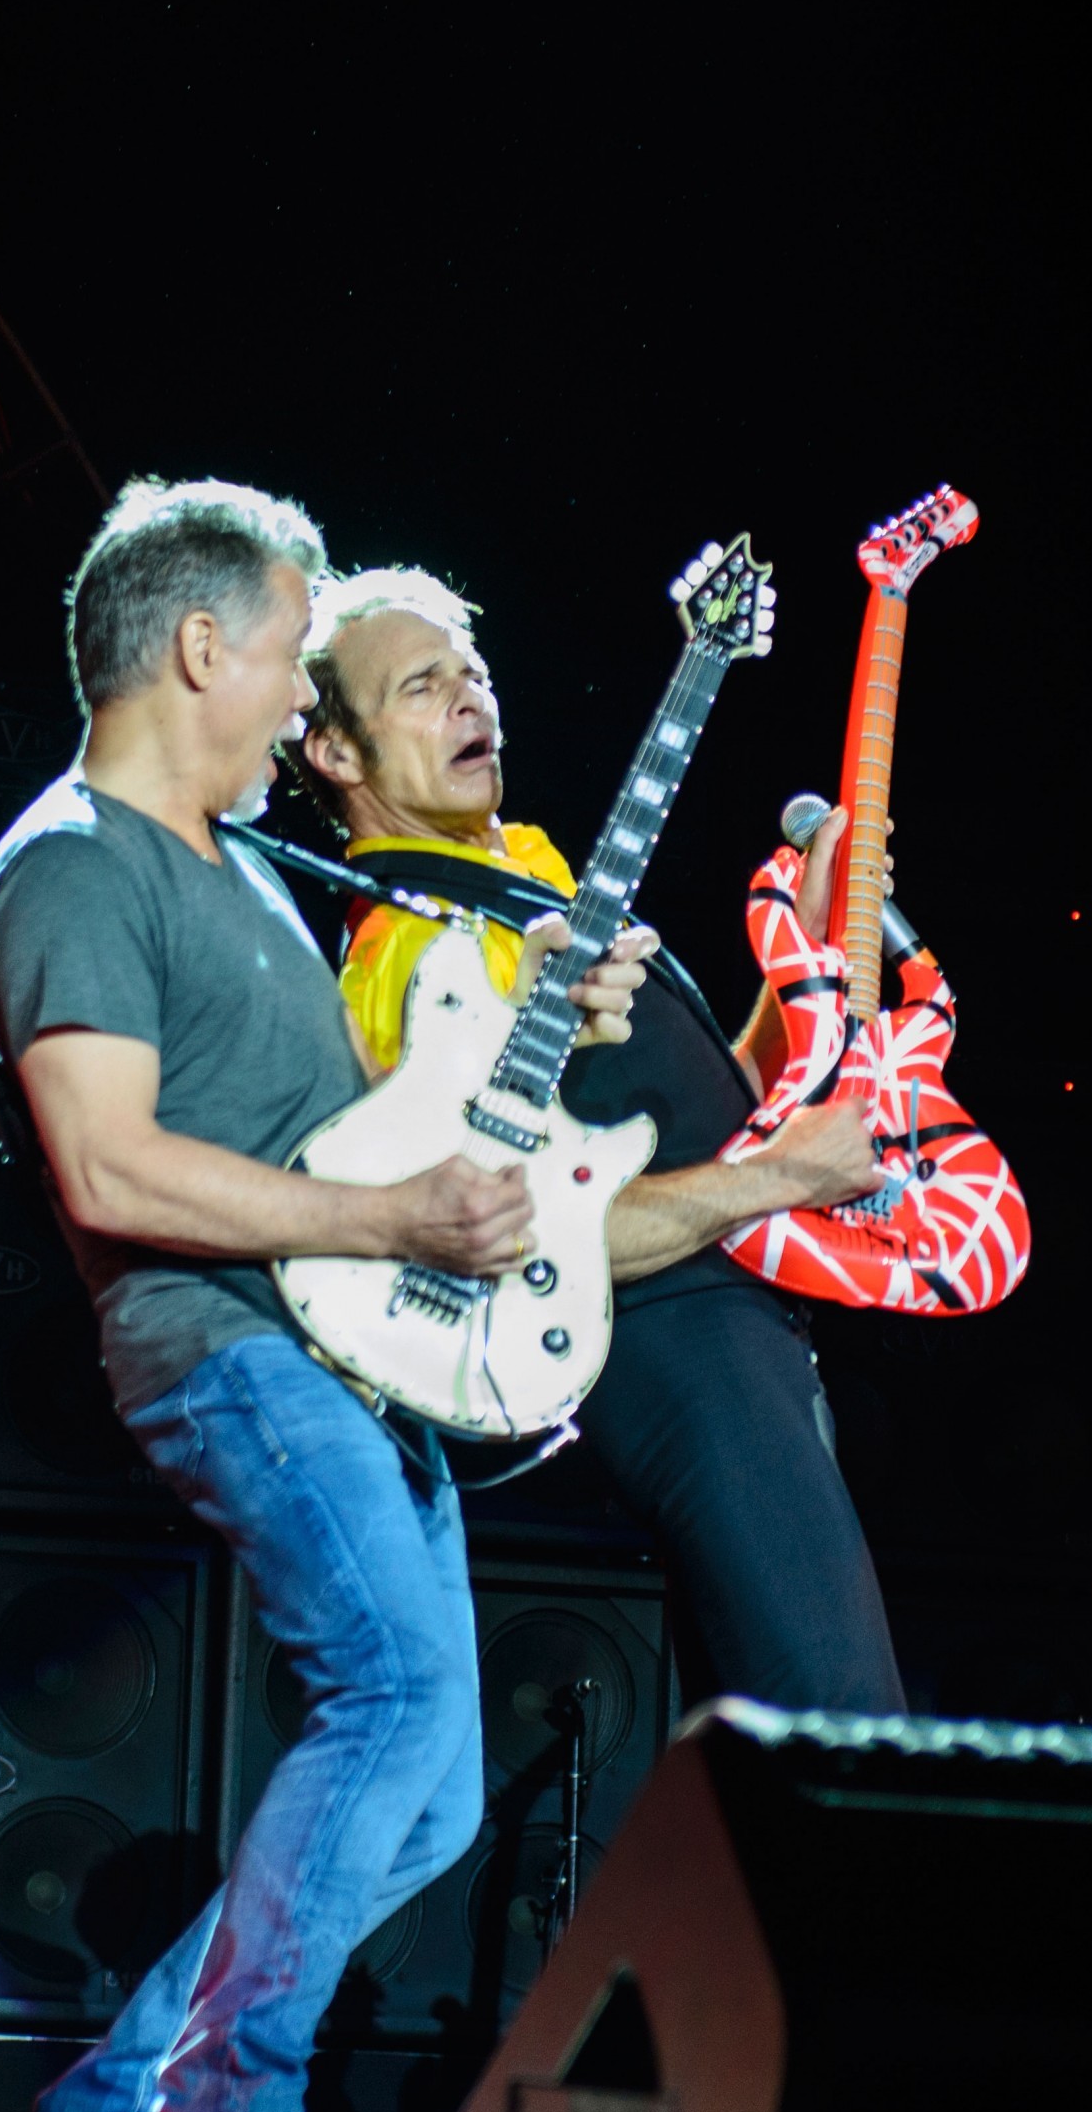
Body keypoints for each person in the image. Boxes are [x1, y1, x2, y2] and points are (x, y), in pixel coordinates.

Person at [0, 479, 648, 2112]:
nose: (302, 705)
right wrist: (398, 1210)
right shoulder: (75, 865)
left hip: (352, 1355)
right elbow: (108, 1169)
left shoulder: (251, 871)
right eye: (289, 660)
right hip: (227, 1348)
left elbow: (361, 1096)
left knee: (428, 1797)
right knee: (400, 1706)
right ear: (200, 648)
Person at [291, 565, 907, 1718]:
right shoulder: (407, 958)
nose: (473, 700)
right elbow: (518, 1230)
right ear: (334, 750)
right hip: (677, 1360)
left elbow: (669, 1125)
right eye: (425, 686)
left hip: (746, 1346)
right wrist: (783, 1177)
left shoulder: (518, 875)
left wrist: (800, 969)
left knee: (781, 1767)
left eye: (474, 673)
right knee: (844, 1732)